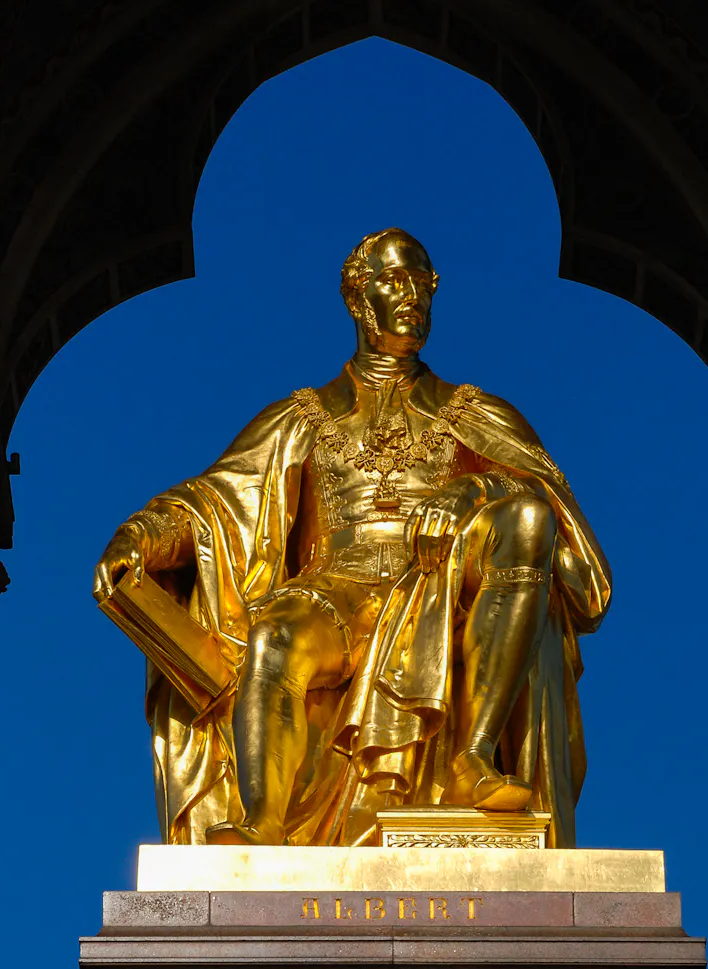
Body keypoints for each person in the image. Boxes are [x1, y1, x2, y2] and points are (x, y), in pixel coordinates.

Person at [93, 228, 611, 846]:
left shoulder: (475, 414)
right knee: (276, 637)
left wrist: (473, 492)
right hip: (332, 591)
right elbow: (213, 501)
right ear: (357, 299)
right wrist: (140, 537)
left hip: (439, 590)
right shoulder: (303, 417)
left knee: (527, 518)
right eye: (396, 281)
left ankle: (473, 756)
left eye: (423, 283)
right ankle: (263, 820)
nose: (413, 296)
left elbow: (555, 515)